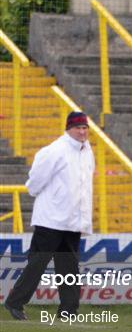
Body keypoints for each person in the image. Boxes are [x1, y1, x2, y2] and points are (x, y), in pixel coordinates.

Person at [4, 112, 94, 320]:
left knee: (69, 268)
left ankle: (68, 310)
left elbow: (83, 188)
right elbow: (34, 183)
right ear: (68, 129)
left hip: (72, 221)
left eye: (85, 128)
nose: (82, 132)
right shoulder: (54, 151)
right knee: (38, 263)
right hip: (50, 219)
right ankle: (15, 302)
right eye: (78, 128)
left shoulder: (86, 152)